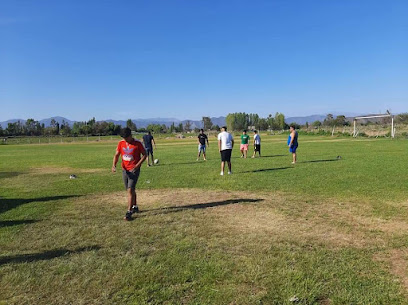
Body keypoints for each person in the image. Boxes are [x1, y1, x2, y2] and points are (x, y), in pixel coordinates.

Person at [112, 127, 146, 221]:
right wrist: (114, 165)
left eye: (126, 138)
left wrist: (137, 165)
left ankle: (129, 212)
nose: (125, 140)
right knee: (130, 189)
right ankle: (135, 206)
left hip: (134, 170)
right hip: (125, 170)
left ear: (131, 135)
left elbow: (145, 154)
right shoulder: (121, 143)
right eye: (124, 138)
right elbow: (117, 154)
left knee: (130, 190)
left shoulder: (137, 143)